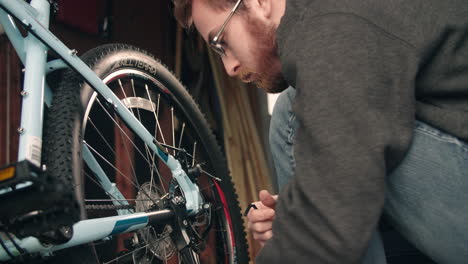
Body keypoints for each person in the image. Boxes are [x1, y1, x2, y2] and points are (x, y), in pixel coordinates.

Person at [172, 0, 468, 263]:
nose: (230, 67)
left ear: (259, 2)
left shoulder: (333, 26)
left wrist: (312, 218)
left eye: (221, 42)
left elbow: (336, 218)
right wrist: (300, 212)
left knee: (295, 118)